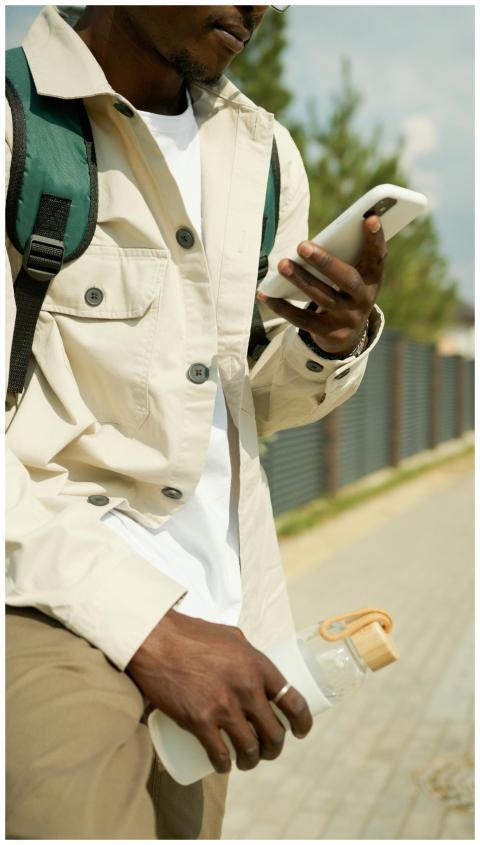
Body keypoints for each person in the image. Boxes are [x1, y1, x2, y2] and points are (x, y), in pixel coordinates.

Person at [5, 5, 386, 839]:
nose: (260, 7)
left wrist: (329, 343)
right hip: (44, 604)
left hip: (219, 622)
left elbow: (254, 407)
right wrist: (146, 625)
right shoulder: (14, 120)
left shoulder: (265, 154)